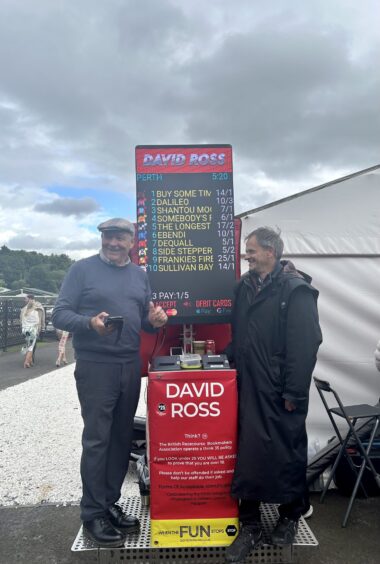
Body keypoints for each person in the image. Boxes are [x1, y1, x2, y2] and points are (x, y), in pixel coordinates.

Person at [52, 217, 168, 548]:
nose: (112, 243)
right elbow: (60, 314)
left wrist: (154, 320)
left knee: (120, 438)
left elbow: (144, 320)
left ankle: (109, 503)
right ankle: (92, 514)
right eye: (107, 237)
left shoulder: (139, 276)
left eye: (119, 238)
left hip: (129, 365)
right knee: (97, 439)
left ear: (133, 242)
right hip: (96, 365)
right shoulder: (81, 270)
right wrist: (89, 322)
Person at [225, 227, 322, 563]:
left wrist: (294, 390)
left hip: (282, 390)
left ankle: (290, 515)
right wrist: (227, 362)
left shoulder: (296, 291)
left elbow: (306, 344)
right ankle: (249, 524)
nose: (246, 255)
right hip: (248, 385)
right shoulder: (243, 287)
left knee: (288, 450)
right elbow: (237, 334)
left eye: (250, 250)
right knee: (248, 452)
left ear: (270, 251)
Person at [20, 294, 45, 368]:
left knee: (29, 344)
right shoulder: (38, 308)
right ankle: (27, 362)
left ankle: (30, 360)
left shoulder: (24, 309)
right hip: (33, 329)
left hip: (25, 329)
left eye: (26, 299)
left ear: (30, 299)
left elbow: (22, 320)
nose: (25, 300)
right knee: (31, 346)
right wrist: (42, 328)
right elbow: (40, 320)